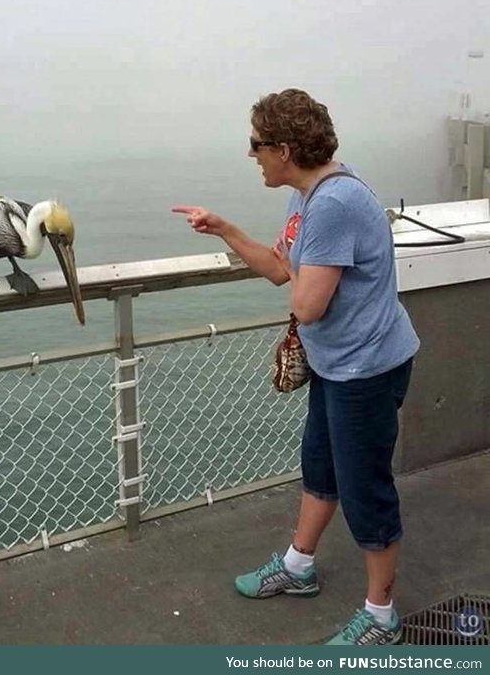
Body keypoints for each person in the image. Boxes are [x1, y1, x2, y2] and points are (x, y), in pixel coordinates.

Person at [172, 88, 420, 646]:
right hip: (337, 364)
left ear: (284, 149)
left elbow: (308, 304)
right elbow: (284, 273)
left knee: (366, 491)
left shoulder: (332, 204)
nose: (251, 154)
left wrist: (302, 285)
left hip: (366, 369)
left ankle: (381, 618)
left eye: (256, 144)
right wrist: (226, 230)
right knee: (321, 468)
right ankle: (298, 567)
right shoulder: (308, 194)